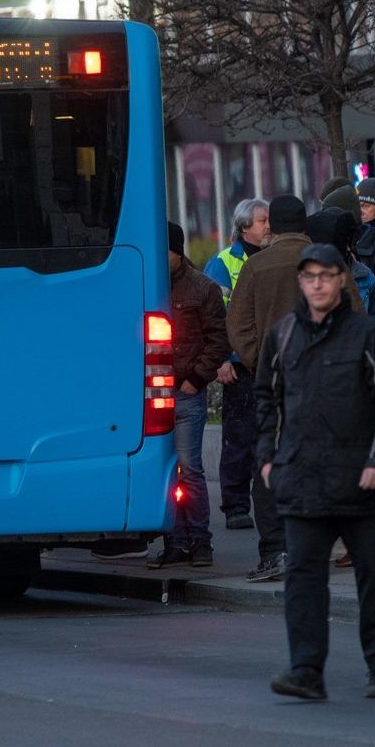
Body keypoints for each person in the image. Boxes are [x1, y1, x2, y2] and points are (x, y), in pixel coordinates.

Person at [258, 243, 375, 701]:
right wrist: (268, 458)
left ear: (342, 279)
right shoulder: (282, 336)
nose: (318, 284)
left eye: (327, 275)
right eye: (310, 277)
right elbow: (266, 401)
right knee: (303, 580)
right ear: (300, 282)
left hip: (361, 481)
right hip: (301, 479)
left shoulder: (367, 335)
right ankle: (305, 670)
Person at [227, 195, 355, 584]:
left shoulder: (254, 266)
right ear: (304, 224)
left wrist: (258, 361)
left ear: (274, 227)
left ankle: (275, 551)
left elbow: (238, 325)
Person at [149, 223, 231, 569]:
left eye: (162, 252)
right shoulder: (150, 284)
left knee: (190, 470)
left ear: (177, 251)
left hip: (184, 392)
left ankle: (198, 540)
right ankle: (176, 541)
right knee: (167, 472)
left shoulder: (203, 289)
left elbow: (218, 339)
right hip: (158, 393)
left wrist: (196, 379)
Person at [203, 198, 270, 529]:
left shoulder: (270, 258)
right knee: (238, 439)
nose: (268, 225)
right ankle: (235, 506)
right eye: (262, 221)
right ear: (244, 226)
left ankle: (263, 503)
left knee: (264, 439)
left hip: (265, 363)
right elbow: (214, 318)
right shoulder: (223, 262)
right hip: (238, 365)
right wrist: (222, 360)